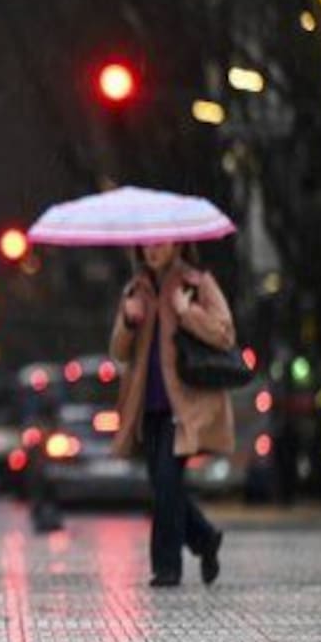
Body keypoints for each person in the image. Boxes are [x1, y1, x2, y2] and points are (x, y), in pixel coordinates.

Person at [109, 242, 235, 588]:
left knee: (166, 482)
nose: (152, 250)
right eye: (146, 244)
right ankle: (205, 539)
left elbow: (225, 334)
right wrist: (129, 321)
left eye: (160, 243)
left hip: (184, 407)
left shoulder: (197, 283)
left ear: (177, 243)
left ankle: (167, 567)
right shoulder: (135, 289)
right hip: (146, 406)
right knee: (164, 486)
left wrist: (187, 312)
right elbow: (118, 351)